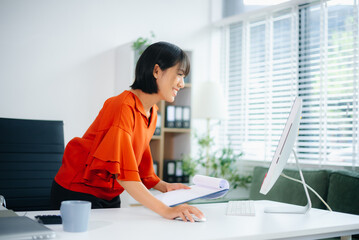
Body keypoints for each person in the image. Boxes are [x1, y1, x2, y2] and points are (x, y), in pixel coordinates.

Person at [51, 41, 204, 222]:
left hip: (109, 194)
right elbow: (126, 176)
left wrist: (164, 186)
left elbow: (139, 158)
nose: (182, 83)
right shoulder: (122, 106)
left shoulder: (152, 111)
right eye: (179, 74)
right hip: (78, 192)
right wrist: (167, 211)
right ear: (156, 71)